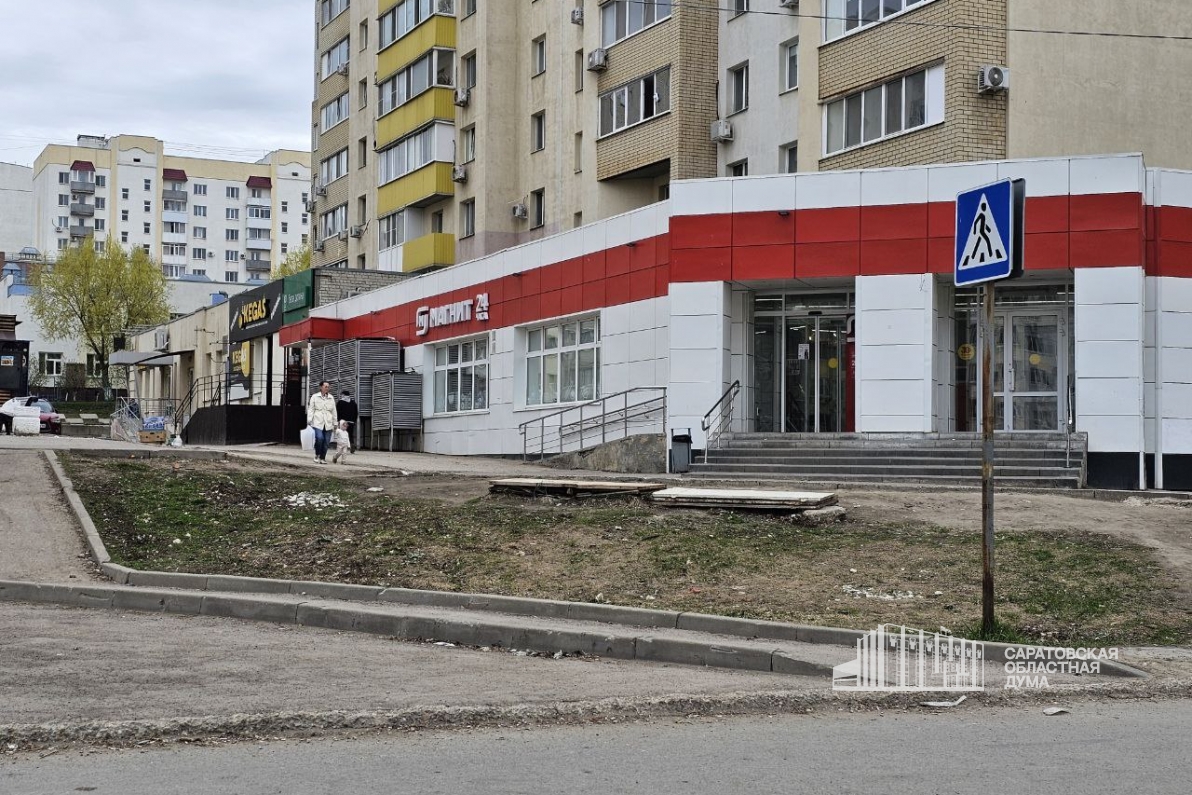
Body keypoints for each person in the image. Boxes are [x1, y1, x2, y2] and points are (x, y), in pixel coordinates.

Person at [306, 380, 337, 464]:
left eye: (328, 387)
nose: (327, 388)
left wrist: (335, 423)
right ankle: (317, 455)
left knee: (326, 442)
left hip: (328, 422)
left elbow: (334, 411)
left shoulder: (331, 398)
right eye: (325, 386)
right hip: (317, 421)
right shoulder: (315, 397)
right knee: (320, 438)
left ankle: (323, 458)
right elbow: (311, 409)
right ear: (321, 387)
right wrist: (309, 420)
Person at [335, 389, 358, 453]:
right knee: (350, 435)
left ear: (343, 395)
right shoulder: (353, 403)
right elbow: (356, 413)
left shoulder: (340, 402)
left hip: (342, 422)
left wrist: (338, 421)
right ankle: (352, 444)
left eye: (342, 394)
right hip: (351, 422)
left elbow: (337, 412)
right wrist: (354, 421)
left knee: (342, 435)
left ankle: (342, 448)